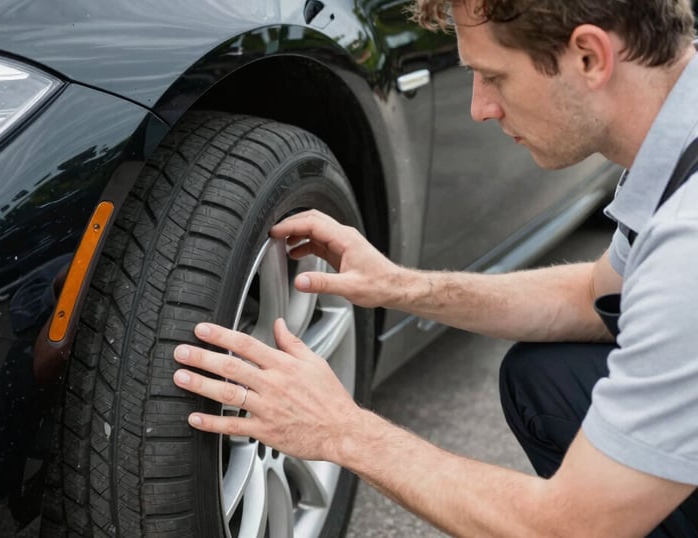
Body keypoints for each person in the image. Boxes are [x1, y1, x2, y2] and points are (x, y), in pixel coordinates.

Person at [173, 0, 698, 535]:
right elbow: (592, 295)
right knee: (545, 377)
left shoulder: (687, 246)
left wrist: (337, 428)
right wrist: (398, 286)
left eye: (493, 75)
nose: (480, 107)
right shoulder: (678, 145)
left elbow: (569, 525)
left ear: (589, 56)